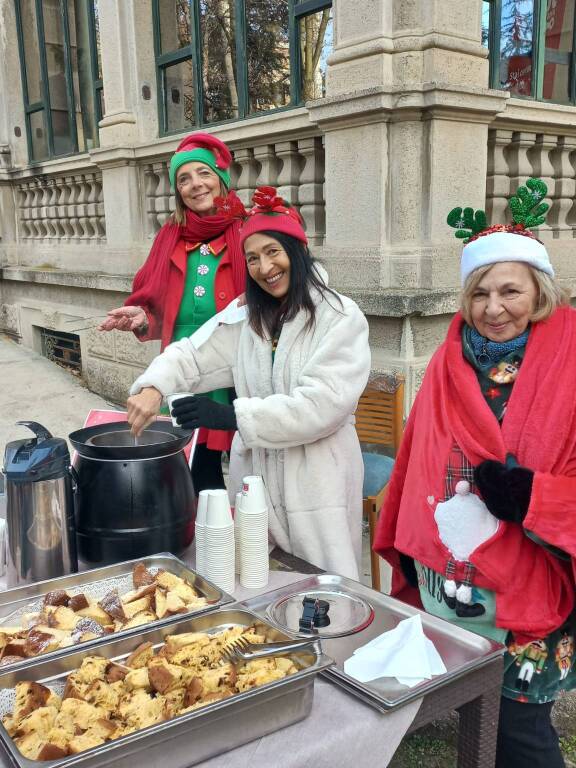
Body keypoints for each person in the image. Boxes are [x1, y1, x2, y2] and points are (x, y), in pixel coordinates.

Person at [373, 178, 576, 768]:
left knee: (520, 727)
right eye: (481, 292)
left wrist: (536, 496)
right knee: (473, 705)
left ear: (538, 291)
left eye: (510, 291)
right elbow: (419, 454)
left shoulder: (569, 355)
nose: (493, 308)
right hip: (453, 571)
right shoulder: (448, 356)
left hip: (532, 572)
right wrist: (411, 538)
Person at [125, 187, 371, 578]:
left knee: (325, 590)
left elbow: (320, 407)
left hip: (317, 479)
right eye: (252, 258)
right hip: (256, 478)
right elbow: (193, 353)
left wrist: (232, 417)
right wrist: (155, 387)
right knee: (259, 579)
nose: (264, 266)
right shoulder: (248, 317)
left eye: (273, 251)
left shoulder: (339, 317)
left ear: (297, 250)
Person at [99, 133, 247, 493]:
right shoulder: (170, 235)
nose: (195, 184)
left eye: (204, 173)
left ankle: (253, 536)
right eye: (184, 178)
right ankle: (207, 538)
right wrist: (145, 320)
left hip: (239, 363)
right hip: (183, 367)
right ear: (177, 190)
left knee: (250, 463)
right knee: (197, 466)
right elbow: (165, 308)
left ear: (221, 178)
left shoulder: (248, 229)